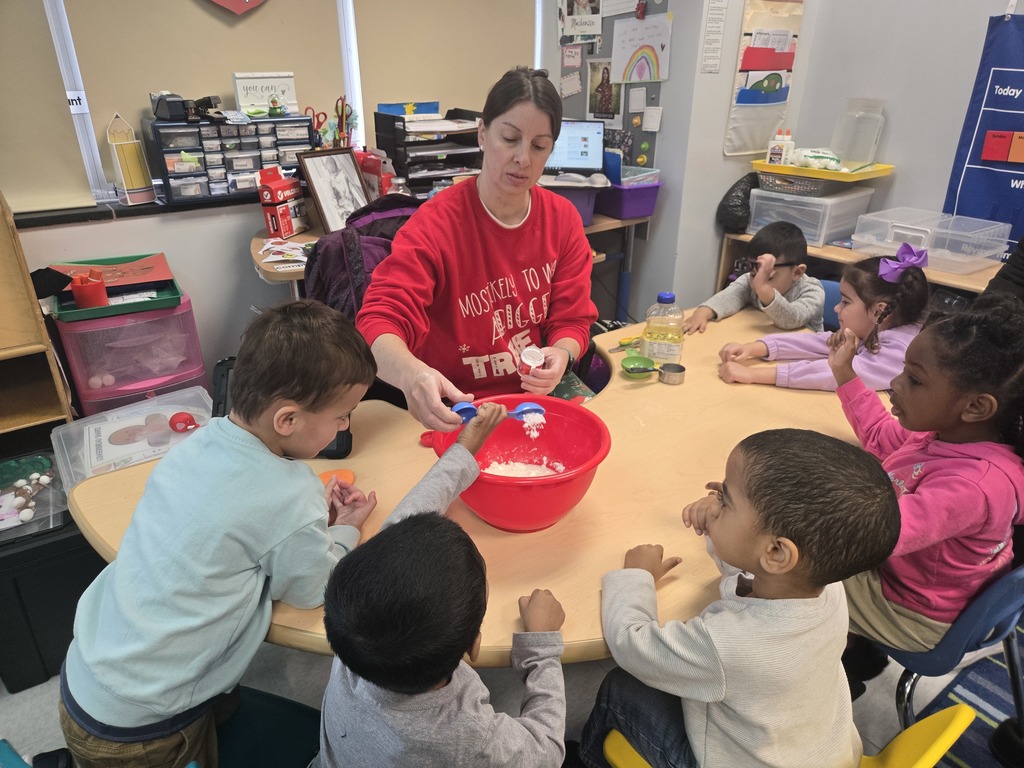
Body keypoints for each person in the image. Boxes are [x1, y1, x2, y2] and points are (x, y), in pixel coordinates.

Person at [59, 300, 379, 768]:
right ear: (287, 420)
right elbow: (312, 589)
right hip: (143, 731)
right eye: (342, 414)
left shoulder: (201, 441)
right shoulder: (289, 495)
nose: (346, 424)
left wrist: (307, 522)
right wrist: (345, 532)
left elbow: (237, 522)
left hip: (89, 675)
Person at [577, 429, 901, 768]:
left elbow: (630, 644)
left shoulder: (726, 643)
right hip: (818, 753)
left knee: (621, 685)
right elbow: (758, 571)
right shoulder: (829, 590)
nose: (714, 504)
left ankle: (586, 758)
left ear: (776, 551)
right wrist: (720, 527)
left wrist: (636, 578)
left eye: (725, 500)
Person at [319, 402, 568, 767]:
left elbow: (400, 531)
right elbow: (546, 749)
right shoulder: (470, 737)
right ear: (474, 646)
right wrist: (541, 647)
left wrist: (465, 450)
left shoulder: (354, 629)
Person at [356, 66, 598, 432]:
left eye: (538, 146)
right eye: (510, 138)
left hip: (532, 400)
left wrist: (562, 353)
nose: (523, 159)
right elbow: (379, 320)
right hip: (456, 405)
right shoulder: (436, 225)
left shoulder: (562, 220)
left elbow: (572, 319)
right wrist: (412, 376)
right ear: (483, 133)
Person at [828, 291, 1024, 656]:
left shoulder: (974, 486)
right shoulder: (942, 432)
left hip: (910, 614)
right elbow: (879, 436)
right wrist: (844, 372)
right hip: (903, 581)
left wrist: (789, 500)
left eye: (914, 380)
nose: (896, 384)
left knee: (775, 567)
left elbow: (877, 532)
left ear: (976, 407)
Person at [717, 247, 930, 391]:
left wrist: (754, 375)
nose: (837, 308)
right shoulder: (874, 329)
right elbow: (824, 342)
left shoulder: (901, 352)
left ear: (878, 311)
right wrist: (757, 348)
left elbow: (838, 374)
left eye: (845, 302)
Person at [683, 221, 824, 335]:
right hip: (762, 341)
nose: (756, 281)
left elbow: (791, 320)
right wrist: (703, 313)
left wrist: (763, 288)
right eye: (753, 270)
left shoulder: (812, 291)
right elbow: (730, 296)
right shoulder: (754, 278)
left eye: (768, 276)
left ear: (797, 272)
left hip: (804, 356)